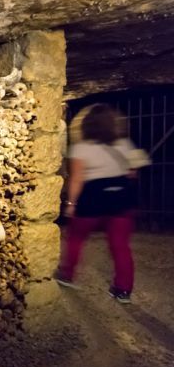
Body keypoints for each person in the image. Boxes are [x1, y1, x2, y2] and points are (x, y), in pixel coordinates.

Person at [56, 104, 141, 303]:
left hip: (92, 199)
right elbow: (133, 172)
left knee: (76, 238)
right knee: (120, 246)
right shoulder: (124, 144)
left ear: (87, 125)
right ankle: (123, 290)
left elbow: (77, 179)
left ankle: (67, 275)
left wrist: (71, 203)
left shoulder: (81, 148)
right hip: (120, 201)